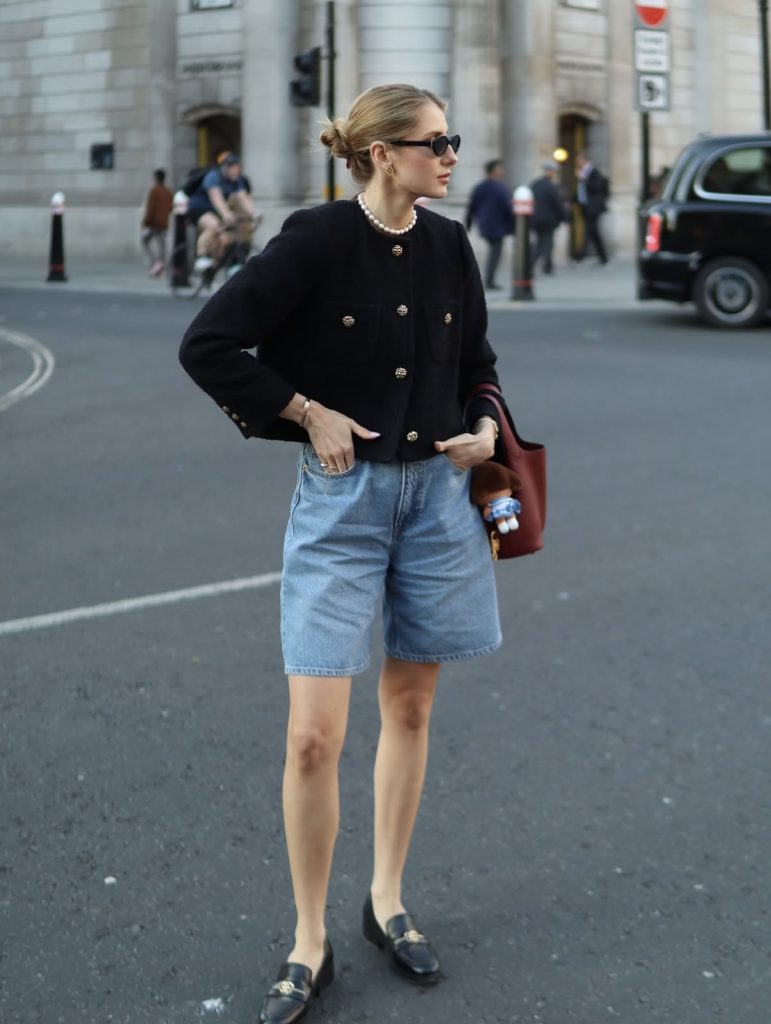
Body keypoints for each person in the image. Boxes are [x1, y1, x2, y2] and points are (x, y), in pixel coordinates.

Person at [179, 83, 508, 1024]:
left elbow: (478, 363)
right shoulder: (317, 239)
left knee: (408, 708)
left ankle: (386, 900)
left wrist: (484, 425)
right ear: (378, 153)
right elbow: (211, 342)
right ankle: (308, 940)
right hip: (343, 505)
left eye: (453, 139)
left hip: (440, 502)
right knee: (312, 734)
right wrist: (305, 411)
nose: (451, 155)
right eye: (435, 142)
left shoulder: (450, 243)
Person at [185, 152, 259, 271]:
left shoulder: (236, 180)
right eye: (234, 168)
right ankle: (201, 256)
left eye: (238, 168)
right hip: (198, 207)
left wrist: (254, 213)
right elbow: (216, 197)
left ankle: (214, 265)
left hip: (214, 210)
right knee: (214, 225)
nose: (236, 171)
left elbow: (243, 197)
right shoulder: (213, 176)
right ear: (226, 167)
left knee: (227, 238)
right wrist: (226, 214)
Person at [465, 159, 515, 289]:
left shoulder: (481, 187)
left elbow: (472, 206)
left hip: (485, 224)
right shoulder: (500, 187)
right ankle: (489, 280)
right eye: (500, 168)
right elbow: (508, 207)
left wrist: (469, 223)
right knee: (495, 253)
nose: (503, 171)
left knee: (494, 252)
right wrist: (513, 225)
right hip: (497, 226)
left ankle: (489, 279)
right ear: (495, 171)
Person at [529, 160, 567, 275]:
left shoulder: (535, 184)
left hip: (535, 219)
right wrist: (565, 217)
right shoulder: (552, 186)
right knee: (546, 243)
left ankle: (543, 265)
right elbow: (558, 204)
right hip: (549, 220)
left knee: (541, 243)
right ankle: (544, 266)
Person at [574, 152, 609, 265]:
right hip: (585, 206)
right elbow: (580, 191)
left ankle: (580, 256)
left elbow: (597, 187)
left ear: (585, 160)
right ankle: (603, 258)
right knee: (594, 233)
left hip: (593, 207)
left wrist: (584, 179)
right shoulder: (584, 172)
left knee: (589, 231)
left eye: (579, 160)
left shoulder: (594, 172)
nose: (578, 163)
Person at [140, 168, 173, 277]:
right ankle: (161, 266)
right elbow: (170, 207)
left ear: (156, 178)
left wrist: (145, 223)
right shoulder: (168, 191)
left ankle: (156, 264)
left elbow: (150, 208)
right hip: (164, 223)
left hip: (154, 223)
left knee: (145, 242)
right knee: (162, 245)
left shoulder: (154, 191)